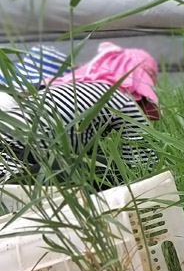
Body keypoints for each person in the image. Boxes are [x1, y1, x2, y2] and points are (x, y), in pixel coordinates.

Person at [0, 42, 160, 186]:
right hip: (14, 168)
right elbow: (144, 165)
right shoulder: (123, 101)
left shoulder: (71, 90)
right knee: (112, 169)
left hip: (11, 157)